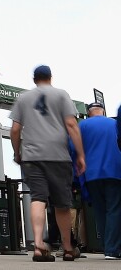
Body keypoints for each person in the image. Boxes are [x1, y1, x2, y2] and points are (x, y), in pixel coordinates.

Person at [10, 65, 85, 262]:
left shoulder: (23, 98)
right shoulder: (61, 95)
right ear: (50, 78)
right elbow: (71, 125)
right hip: (58, 156)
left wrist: (17, 152)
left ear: (34, 79)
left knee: (38, 199)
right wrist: (80, 155)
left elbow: (15, 129)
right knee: (62, 204)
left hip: (32, 156)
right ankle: (68, 249)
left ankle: (39, 246)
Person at [73, 102, 121, 259]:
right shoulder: (114, 123)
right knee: (114, 209)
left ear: (88, 113)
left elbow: (72, 148)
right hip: (115, 171)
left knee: (100, 211)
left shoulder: (82, 126)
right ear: (103, 111)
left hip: (91, 174)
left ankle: (107, 247)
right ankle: (113, 249)